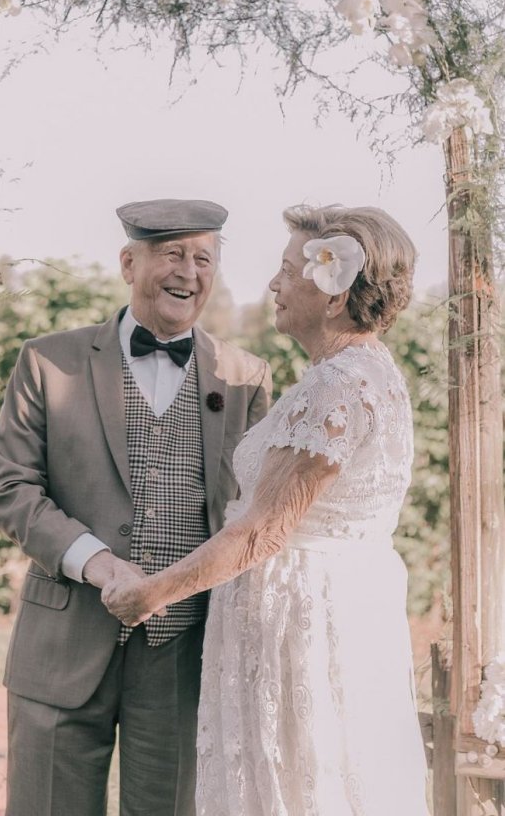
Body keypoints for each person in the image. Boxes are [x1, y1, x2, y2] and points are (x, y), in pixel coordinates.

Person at [103, 204, 430, 816]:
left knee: (300, 783)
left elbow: (260, 531)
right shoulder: (362, 372)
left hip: (303, 624)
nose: (273, 285)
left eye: (287, 271)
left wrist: (151, 594)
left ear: (334, 296)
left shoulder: (337, 386)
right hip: (337, 605)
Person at [0, 198, 272, 816]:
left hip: (183, 658)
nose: (188, 273)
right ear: (127, 262)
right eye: (172, 254)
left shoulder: (246, 377)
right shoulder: (48, 360)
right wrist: (100, 564)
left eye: (204, 258)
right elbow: (10, 490)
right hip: (63, 645)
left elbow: (255, 518)